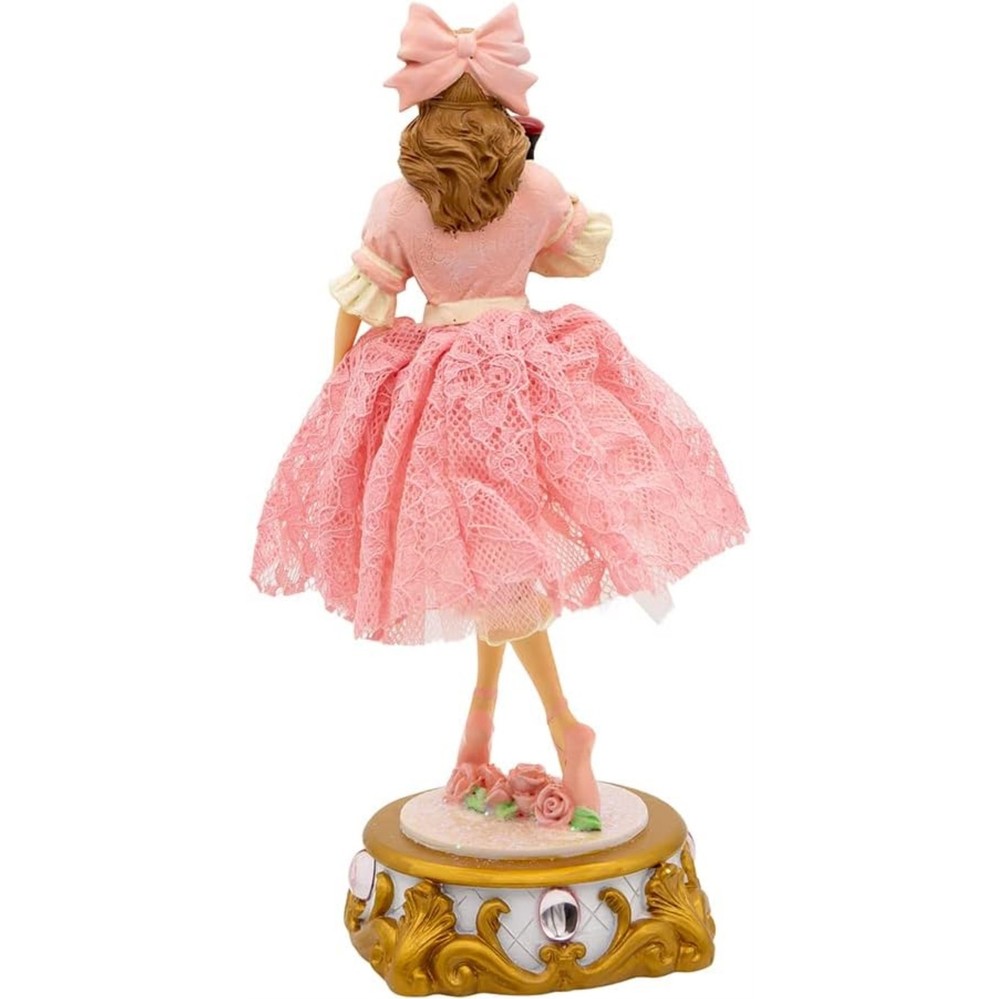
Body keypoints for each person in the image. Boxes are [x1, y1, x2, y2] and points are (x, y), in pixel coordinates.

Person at [250, 3, 748, 821]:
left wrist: (343, 384)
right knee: (491, 558)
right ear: (500, 108)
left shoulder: (398, 202)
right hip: (527, 379)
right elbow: (574, 257)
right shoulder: (536, 187)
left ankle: (561, 724)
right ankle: (480, 726)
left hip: (442, 391)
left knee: (495, 560)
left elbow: (365, 299)